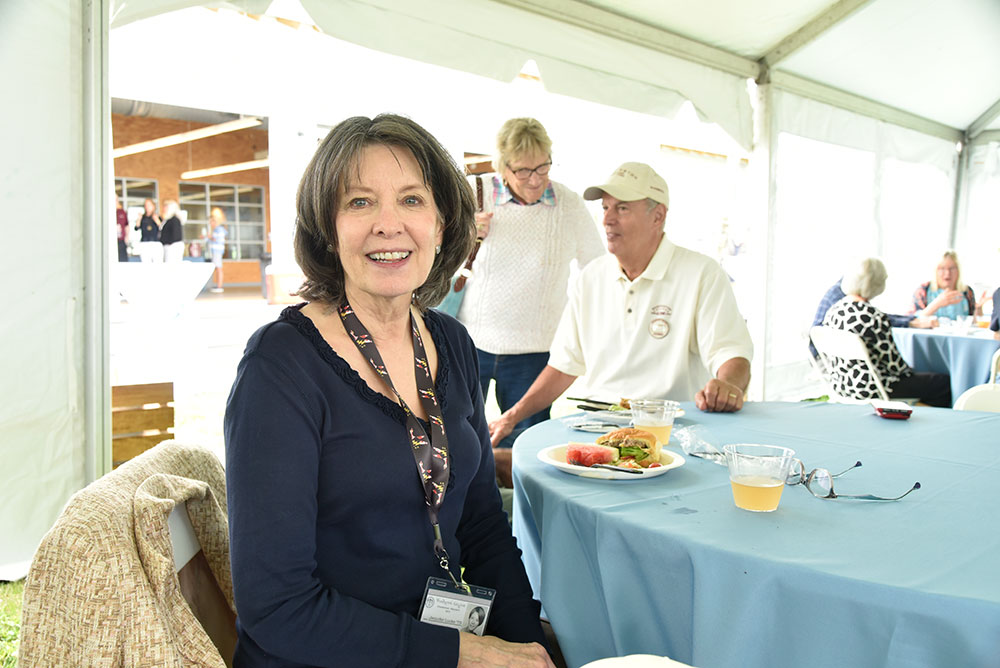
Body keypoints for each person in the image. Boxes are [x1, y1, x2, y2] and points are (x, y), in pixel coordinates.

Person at [225, 114, 553, 668]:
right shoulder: (280, 367)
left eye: (411, 200)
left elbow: (480, 525)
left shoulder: (449, 340)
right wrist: (462, 654)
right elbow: (277, 607)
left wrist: (527, 646)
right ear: (327, 229)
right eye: (358, 202)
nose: (387, 224)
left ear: (445, 223)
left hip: (438, 643)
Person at [489, 162, 754, 474]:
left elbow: (731, 353)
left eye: (623, 208)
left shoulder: (701, 273)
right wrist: (511, 416)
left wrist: (727, 386)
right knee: (507, 467)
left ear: (658, 216)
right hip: (591, 427)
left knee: (507, 469)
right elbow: (564, 365)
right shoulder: (592, 277)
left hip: (665, 436)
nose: (607, 219)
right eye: (605, 207)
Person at [457, 118, 604, 451]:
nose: (535, 180)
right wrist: (465, 235)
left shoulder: (568, 205)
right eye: (523, 171)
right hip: (471, 341)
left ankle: (515, 504)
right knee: (460, 438)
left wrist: (579, 326)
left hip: (535, 351)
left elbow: (597, 269)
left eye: (543, 168)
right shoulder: (474, 194)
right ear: (503, 167)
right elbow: (433, 253)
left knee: (524, 447)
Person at [823, 257, 950, 406]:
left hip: (843, 386)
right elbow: (895, 366)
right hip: (874, 388)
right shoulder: (871, 316)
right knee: (942, 383)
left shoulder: (834, 310)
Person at [808, 277, 936, 358]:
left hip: (841, 378)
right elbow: (894, 364)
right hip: (869, 384)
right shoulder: (865, 313)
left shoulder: (839, 305)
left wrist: (909, 321)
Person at [910, 250, 981, 319]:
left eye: (952, 268)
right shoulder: (923, 290)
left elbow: (973, 322)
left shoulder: (967, 291)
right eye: (942, 268)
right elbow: (912, 321)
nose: (947, 273)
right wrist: (937, 304)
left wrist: (978, 309)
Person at [134, 198, 161, 262]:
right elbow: (136, 228)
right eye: (146, 205)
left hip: (155, 242)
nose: (147, 207)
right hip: (144, 242)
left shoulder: (157, 216)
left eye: (149, 205)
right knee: (146, 262)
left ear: (153, 206)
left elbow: (162, 228)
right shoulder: (142, 217)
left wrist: (157, 220)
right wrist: (139, 219)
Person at [208, 207, 228, 292]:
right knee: (217, 268)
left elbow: (218, 240)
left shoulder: (219, 230)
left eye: (211, 221)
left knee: (219, 268)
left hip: (217, 251)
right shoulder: (216, 230)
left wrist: (210, 237)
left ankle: (219, 286)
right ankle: (218, 286)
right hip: (215, 251)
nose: (210, 223)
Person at [115, 194, 129, 262]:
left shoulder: (122, 212)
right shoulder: (107, 211)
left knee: (123, 260)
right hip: (111, 241)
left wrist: (127, 237)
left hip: (121, 241)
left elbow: (126, 225)